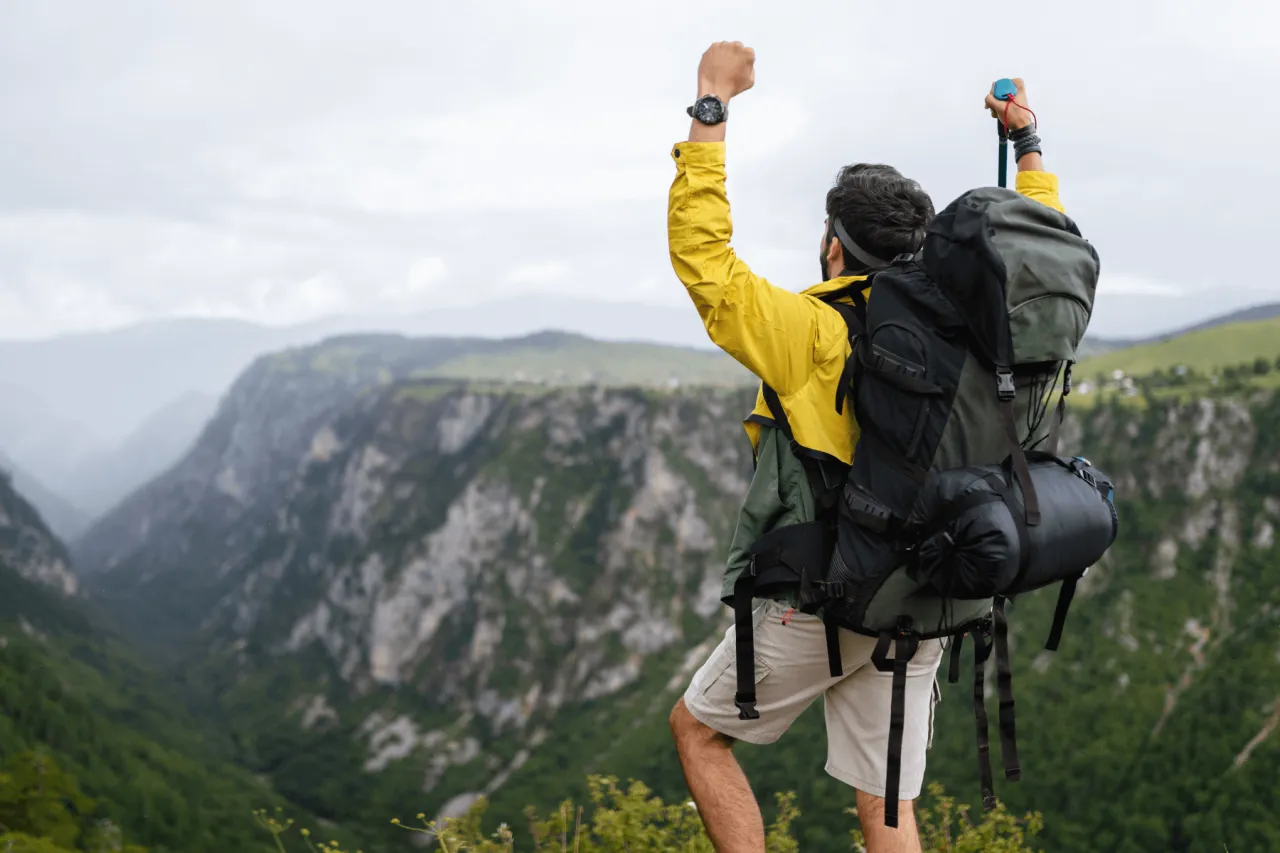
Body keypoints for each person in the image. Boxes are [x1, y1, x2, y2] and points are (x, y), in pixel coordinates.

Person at [665, 41, 1064, 853]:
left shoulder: (815, 330)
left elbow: (706, 265)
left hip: (828, 597)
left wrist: (712, 105)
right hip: (927, 594)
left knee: (698, 733)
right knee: (887, 805)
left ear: (835, 245)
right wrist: (1027, 143)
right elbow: (1040, 249)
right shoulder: (978, 331)